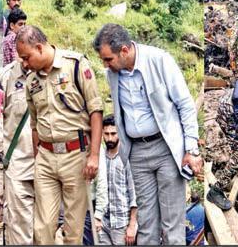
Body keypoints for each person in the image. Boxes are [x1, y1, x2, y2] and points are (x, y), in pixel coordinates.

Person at [95, 23, 201, 245]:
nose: (105, 65)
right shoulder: (112, 75)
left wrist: (191, 149)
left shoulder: (160, 61)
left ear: (124, 50)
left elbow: (185, 104)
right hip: (137, 153)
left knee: (172, 224)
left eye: (108, 59)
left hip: (166, 150)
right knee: (146, 225)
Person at [17, 25, 103, 244]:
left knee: (73, 230)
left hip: (76, 156)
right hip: (45, 158)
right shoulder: (31, 82)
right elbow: (35, 125)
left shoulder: (75, 65)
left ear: (39, 47)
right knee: (42, 227)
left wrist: (94, 156)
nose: (25, 64)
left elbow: (96, 111)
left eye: (26, 57)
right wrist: (38, 158)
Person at [0, 59, 35, 244]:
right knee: (18, 225)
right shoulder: (6, 76)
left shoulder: (53, 72)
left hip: (49, 162)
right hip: (18, 162)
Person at [93, 115, 137, 246]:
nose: (110, 138)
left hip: (122, 224)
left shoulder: (127, 157)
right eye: (106, 134)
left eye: (113, 133)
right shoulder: (99, 157)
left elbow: (134, 194)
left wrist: (132, 225)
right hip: (103, 222)